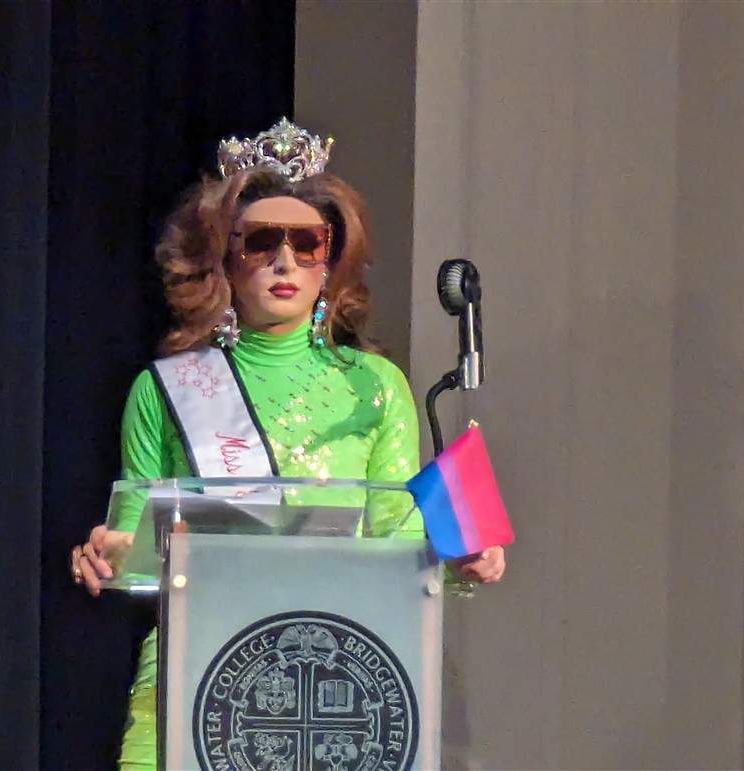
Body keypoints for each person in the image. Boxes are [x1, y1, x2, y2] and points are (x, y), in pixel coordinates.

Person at [69, 119, 506, 771]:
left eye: (307, 244)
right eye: (261, 242)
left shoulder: (374, 386)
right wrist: (102, 555)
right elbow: (132, 540)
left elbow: (396, 534)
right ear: (223, 257)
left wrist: (460, 560)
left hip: (337, 671)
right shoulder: (165, 390)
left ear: (330, 262)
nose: (284, 262)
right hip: (194, 671)